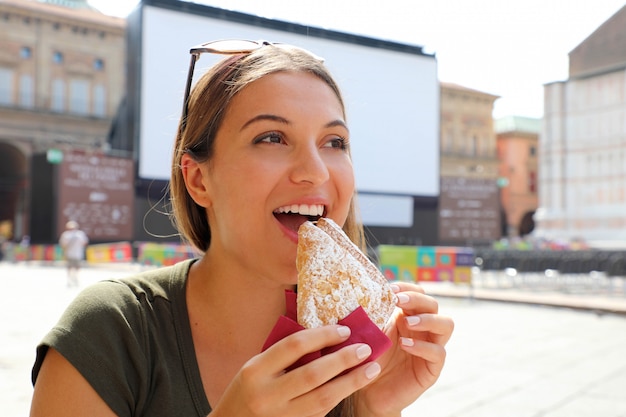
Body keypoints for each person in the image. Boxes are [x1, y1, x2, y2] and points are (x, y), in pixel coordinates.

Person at [30, 39, 454, 417]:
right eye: (272, 137)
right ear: (198, 180)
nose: (315, 171)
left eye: (334, 142)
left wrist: (369, 410)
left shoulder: (354, 354)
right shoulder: (112, 332)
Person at [58, 220, 89, 287]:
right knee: (76, 267)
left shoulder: (66, 235)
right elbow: (84, 243)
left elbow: (62, 245)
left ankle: (71, 279)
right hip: (76, 254)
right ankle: (74, 278)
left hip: (70, 253)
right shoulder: (80, 234)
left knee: (70, 267)